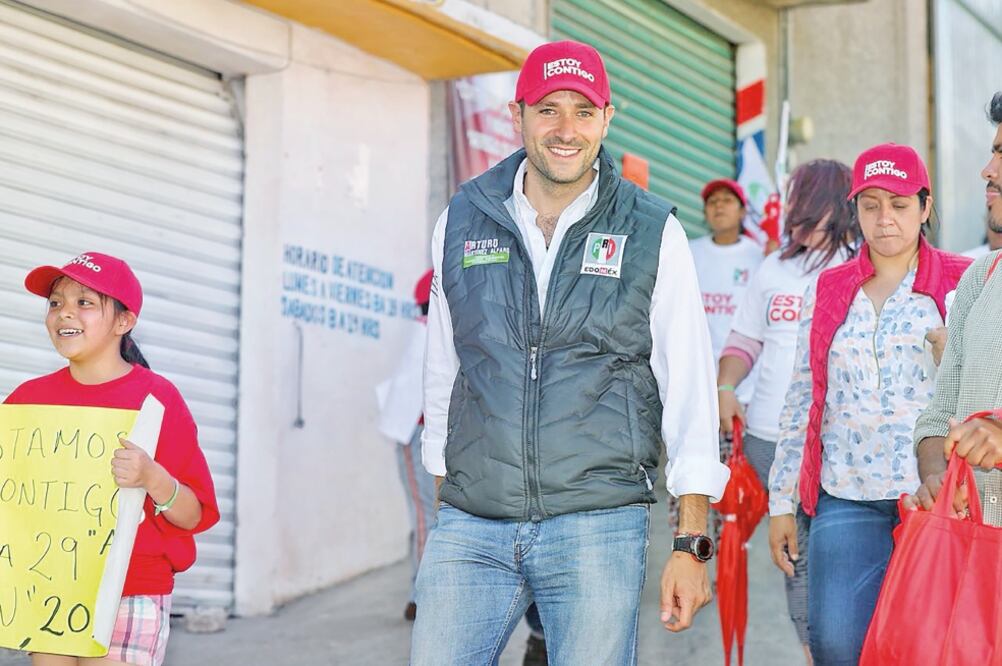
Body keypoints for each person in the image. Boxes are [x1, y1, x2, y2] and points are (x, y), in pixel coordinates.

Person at [412, 40, 729, 665]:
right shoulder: (463, 218)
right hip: (474, 521)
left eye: (583, 112)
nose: (565, 129)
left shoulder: (650, 230)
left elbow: (689, 387)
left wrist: (692, 542)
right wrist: (448, 493)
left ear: (607, 119)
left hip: (597, 523)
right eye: (548, 109)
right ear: (517, 114)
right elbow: (445, 365)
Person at [768, 144, 971, 665]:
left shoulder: (961, 282)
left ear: (925, 208)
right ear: (854, 208)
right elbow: (803, 399)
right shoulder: (831, 288)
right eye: (871, 204)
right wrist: (781, 502)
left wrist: (955, 356)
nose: (885, 219)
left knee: (929, 647)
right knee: (836, 643)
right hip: (846, 494)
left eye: (900, 204)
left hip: (935, 498)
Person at [7, 252, 219, 666]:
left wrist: (151, 476)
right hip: (49, 583)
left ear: (124, 322)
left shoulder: (157, 401)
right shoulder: (26, 401)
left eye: (84, 302)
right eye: (55, 303)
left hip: (133, 584)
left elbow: (193, 515)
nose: (64, 313)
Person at [717, 159, 860, 660]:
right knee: (797, 557)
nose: (800, 214)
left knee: (839, 553)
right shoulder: (772, 268)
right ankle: (814, 654)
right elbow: (745, 339)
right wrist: (725, 386)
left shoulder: (863, 264)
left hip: (840, 441)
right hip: (770, 437)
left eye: (807, 202)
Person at [909, 92, 1002, 525]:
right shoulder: (979, 278)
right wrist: (935, 477)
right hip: (975, 559)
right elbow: (938, 418)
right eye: (991, 153)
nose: (988, 170)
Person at [668, 179, 764, 540]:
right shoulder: (689, 252)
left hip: (738, 392)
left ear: (742, 211)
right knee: (688, 473)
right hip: (693, 387)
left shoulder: (758, 258)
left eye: (727, 201)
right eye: (712, 202)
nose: (719, 207)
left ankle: (730, 556)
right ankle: (687, 547)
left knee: (729, 480)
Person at [375, 270, 438, 621]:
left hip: (423, 432)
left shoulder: (428, 330)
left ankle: (424, 592)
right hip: (426, 432)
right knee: (431, 517)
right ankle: (423, 592)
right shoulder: (437, 330)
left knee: (426, 517)